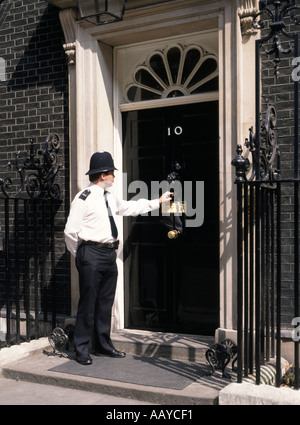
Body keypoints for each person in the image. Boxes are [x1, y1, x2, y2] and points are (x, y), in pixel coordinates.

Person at [64, 151, 171, 365]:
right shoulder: (83, 198)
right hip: (91, 254)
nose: (114, 175)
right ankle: (82, 349)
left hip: (108, 254)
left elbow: (130, 208)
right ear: (103, 174)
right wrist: (83, 256)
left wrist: (157, 202)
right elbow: (70, 232)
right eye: (112, 172)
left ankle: (103, 345)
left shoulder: (109, 198)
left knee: (105, 303)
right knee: (88, 303)